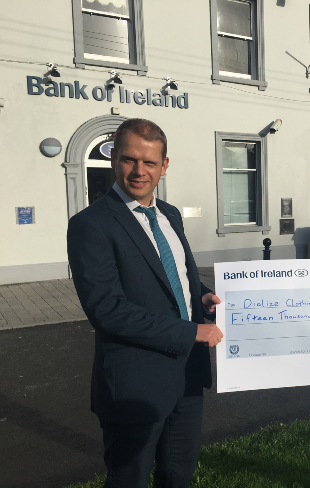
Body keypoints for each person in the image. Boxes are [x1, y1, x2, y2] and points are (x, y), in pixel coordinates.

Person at [67, 118, 224, 488]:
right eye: (129, 160)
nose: (139, 171)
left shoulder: (169, 215)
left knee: (178, 476)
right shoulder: (90, 225)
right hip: (135, 382)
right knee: (129, 480)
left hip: (187, 375)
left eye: (150, 162)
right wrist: (192, 331)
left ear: (164, 166)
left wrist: (201, 294)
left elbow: (176, 274)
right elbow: (107, 310)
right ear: (113, 160)